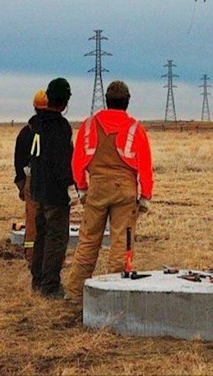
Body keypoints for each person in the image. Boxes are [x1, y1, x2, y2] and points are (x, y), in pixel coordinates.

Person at [65, 80, 153, 302]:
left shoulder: (88, 125)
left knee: (87, 242)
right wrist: (145, 196)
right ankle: (113, 296)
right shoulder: (135, 128)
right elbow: (145, 165)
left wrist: (82, 189)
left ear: (107, 100)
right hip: (125, 191)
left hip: (96, 189)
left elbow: (77, 162)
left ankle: (75, 293)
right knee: (121, 244)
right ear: (127, 102)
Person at [19, 77, 74, 298]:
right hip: (54, 194)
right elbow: (62, 162)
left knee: (40, 235)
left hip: (37, 190)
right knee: (56, 238)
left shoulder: (35, 124)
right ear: (65, 102)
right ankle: (50, 285)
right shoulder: (60, 127)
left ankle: (37, 280)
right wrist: (70, 185)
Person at [13, 89, 48, 263]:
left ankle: (31, 255)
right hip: (51, 182)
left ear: (34, 107)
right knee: (52, 218)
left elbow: (18, 160)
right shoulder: (56, 131)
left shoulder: (25, 132)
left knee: (32, 218)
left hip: (30, 180)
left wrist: (21, 183)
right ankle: (51, 256)